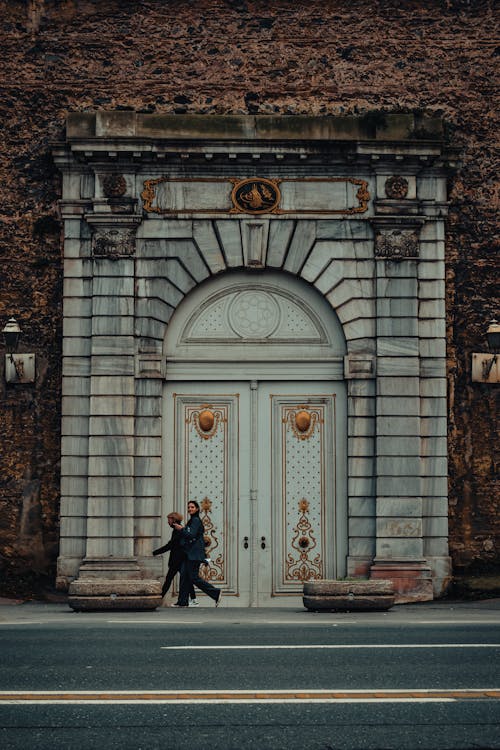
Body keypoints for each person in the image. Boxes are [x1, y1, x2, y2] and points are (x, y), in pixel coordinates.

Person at [173, 500, 222, 608]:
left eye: (192, 507)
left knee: (194, 578)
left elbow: (191, 535)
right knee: (184, 576)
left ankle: (215, 593)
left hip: (193, 554)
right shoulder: (192, 520)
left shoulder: (195, 520)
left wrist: (181, 529)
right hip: (189, 554)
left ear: (197, 509)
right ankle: (182, 601)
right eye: (189, 507)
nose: (190, 509)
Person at [152, 512, 198, 606]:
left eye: (169, 519)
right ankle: (193, 599)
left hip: (177, 560)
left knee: (169, 579)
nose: (168, 522)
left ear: (174, 519)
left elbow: (170, 545)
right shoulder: (177, 530)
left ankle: (159, 599)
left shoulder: (178, 530)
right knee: (184, 579)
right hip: (178, 560)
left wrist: (155, 552)